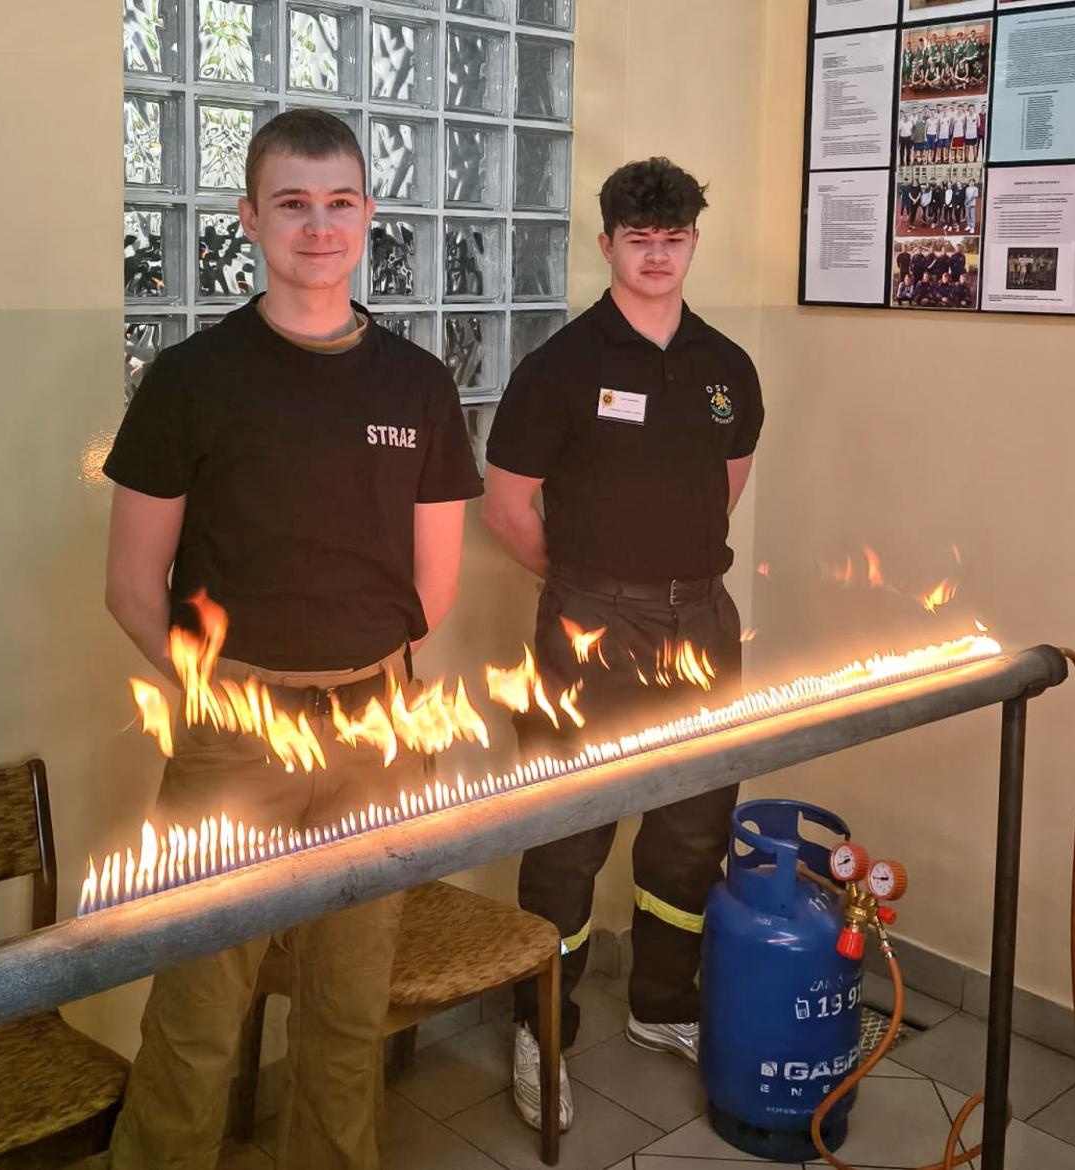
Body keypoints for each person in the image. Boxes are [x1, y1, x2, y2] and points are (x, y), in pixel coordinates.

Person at [101, 108, 482, 1170]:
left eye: (340, 203)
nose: (319, 226)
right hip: (236, 743)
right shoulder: (192, 379)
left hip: (375, 733)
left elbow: (432, 587)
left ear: (369, 215)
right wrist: (222, 699)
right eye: (293, 205)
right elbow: (133, 586)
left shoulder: (417, 384)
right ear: (251, 220)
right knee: (194, 1024)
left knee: (347, 1017)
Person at [481, 157, 763, 1132]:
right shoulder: (558, 368)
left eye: (673, 238)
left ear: (692, 241)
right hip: (588, 625)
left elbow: (725, 481)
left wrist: (670, 577)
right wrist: (588, 582)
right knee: (566, 833)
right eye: (638, 239)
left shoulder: (725, 366)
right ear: (605, 244)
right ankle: (541, 1030)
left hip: (702, 620)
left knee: (692, 822)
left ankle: (661, 1004)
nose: (656, 254)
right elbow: (508, 508)